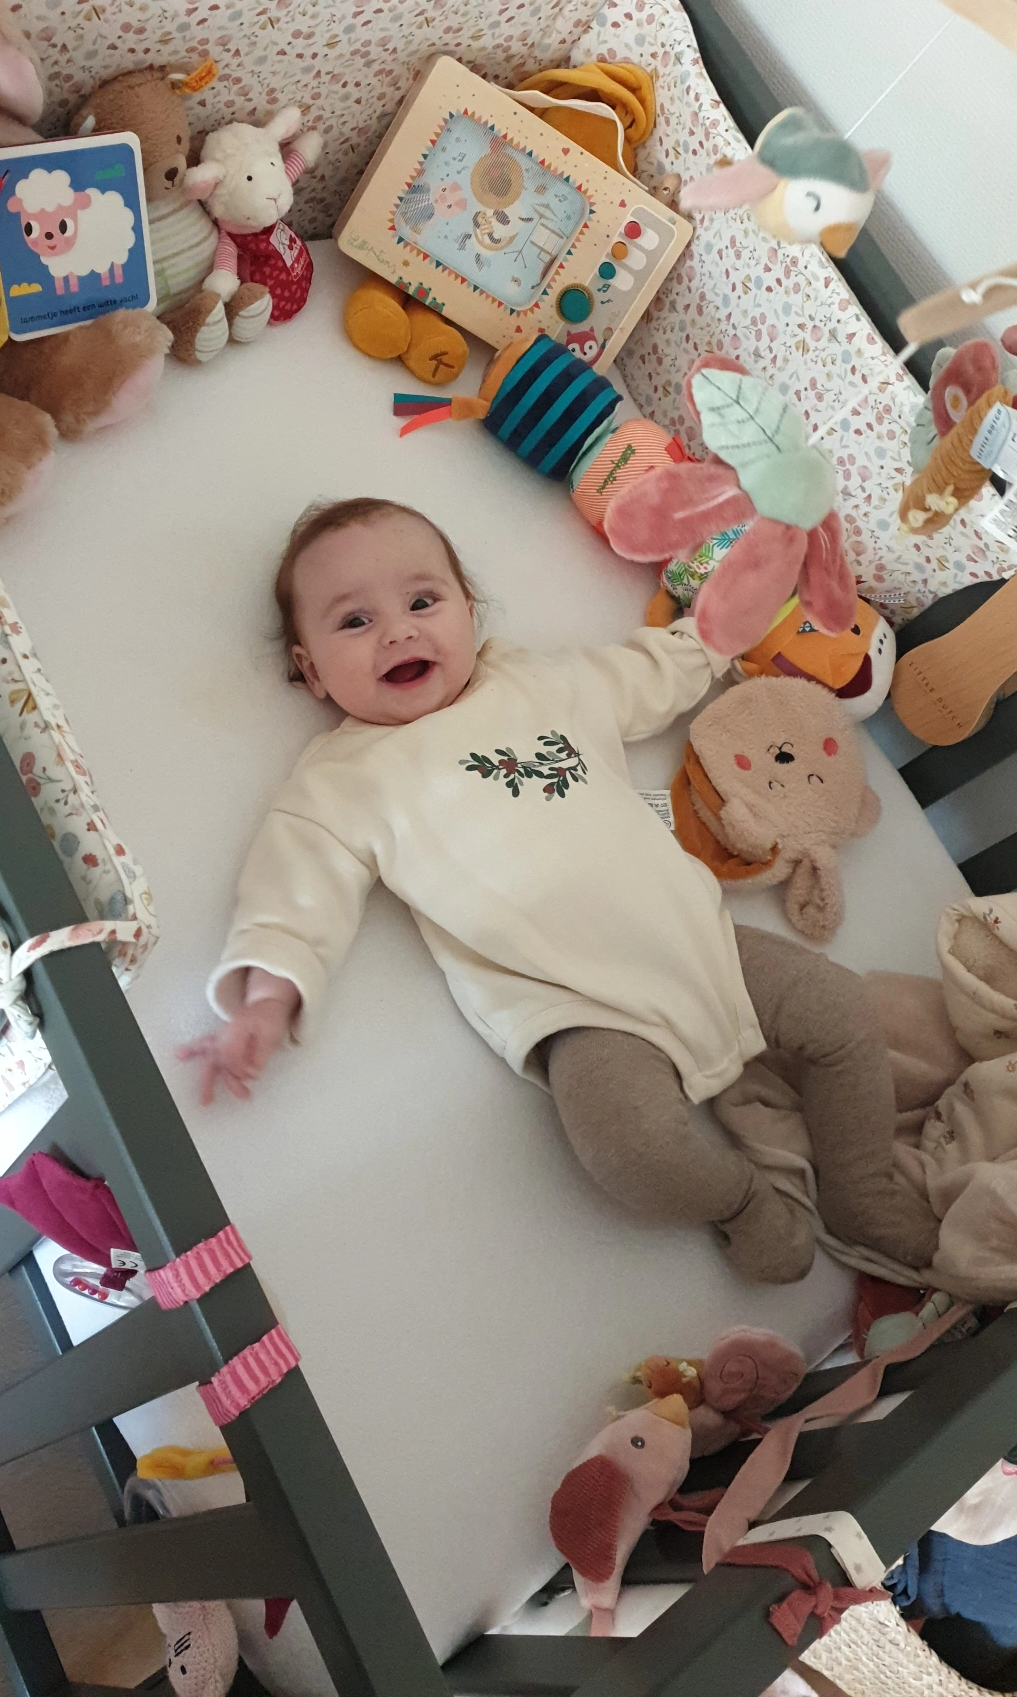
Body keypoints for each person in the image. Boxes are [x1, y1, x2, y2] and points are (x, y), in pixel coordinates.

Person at [179, 496, 939, 1284]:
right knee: (628, 1151)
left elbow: (651, 673)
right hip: (576, 1008)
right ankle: (740, 1201)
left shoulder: (534, 681)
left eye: (422, 602)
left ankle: (862, 1189)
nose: (398, 632)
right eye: (354, 621)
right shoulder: (342, 780)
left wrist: (726, 619)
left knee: (843, 1012)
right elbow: (295, 888)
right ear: (310, 671)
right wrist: (265, 1000)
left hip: (698, 939)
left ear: (469, 612)